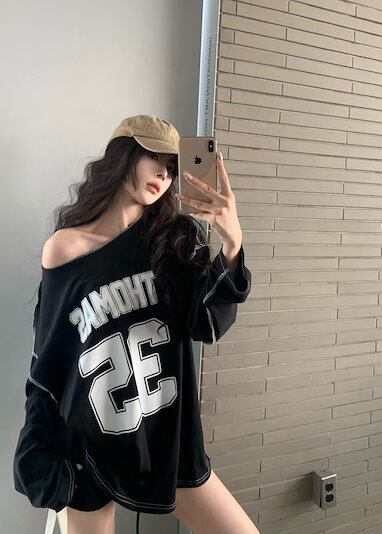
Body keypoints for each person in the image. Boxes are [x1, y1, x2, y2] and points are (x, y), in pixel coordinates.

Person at [13, 114, 258, 534]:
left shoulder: (175, 242)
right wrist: (39, 451)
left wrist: (232, 245)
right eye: (154, 158)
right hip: (92, 453)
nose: (163, 174)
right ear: (123, 155)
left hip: (168, 441)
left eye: (172, 167)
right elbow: (49, 362)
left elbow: (206, 324)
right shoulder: (66, 249)